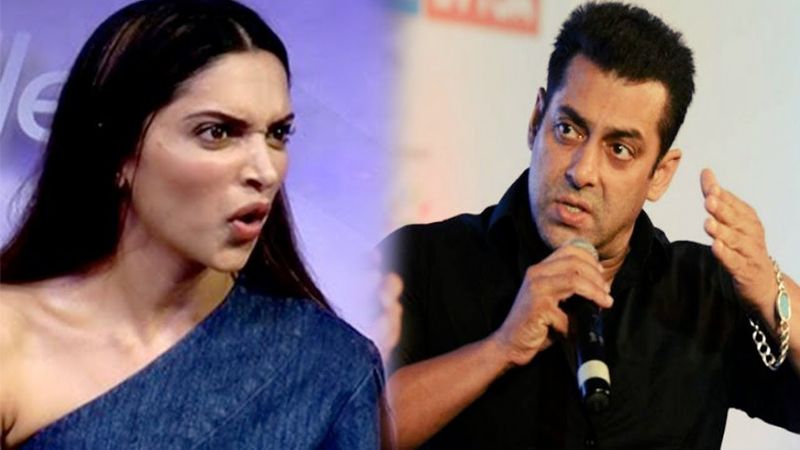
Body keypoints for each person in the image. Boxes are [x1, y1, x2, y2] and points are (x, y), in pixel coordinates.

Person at [382, 2, 800, 449]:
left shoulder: (701, 294)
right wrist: (500, 348)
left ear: (660, 174)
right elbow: (348, 425)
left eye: (619, 149)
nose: (582, 171)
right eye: (568, 130)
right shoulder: (423, 260)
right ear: (536, 120)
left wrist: (770, 291)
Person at [0, 0, 384, 448]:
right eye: (217, 132)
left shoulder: (329, 366)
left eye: (277, 134)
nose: (265, 171)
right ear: (119, 150)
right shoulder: (10, 338)